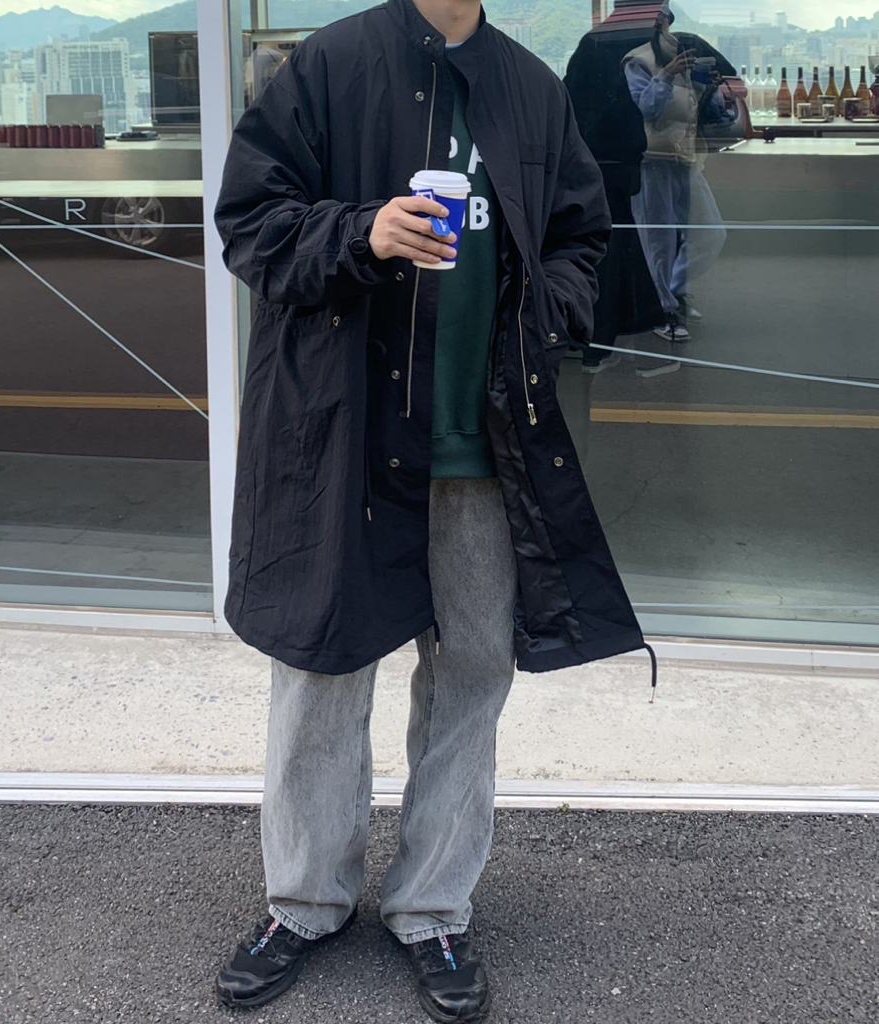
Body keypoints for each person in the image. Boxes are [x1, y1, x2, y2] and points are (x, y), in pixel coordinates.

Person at [213, 0, 652, 1018]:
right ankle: (304, 902)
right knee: (322, 669)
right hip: (347, 434)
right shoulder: (329, 65)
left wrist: (545, 316)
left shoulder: (529, 87)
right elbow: (249, 225)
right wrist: (361, 231)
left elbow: (583, 235)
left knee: (471, 677)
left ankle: (433, 906)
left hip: (485, 445)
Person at [564, 0, 665, 374]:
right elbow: (611, 111)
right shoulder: (618, 46)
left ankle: (604, 341)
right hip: (606, 165)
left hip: (598, 163)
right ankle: (599, 344)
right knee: (610, 250)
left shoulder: (599, 41)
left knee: (614, 248)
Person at [623, 2, 730, 344]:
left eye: (665, 16)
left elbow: (700, 114)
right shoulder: (637, 60)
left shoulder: (684, 55)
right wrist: (667, 75)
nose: (662, 22)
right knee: (660, 243)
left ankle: (672, 292)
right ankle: (664, 309)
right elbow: (646, 110)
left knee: (710, 234)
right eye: (657, 15)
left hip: (685, 158)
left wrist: (708, 89)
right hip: (651, 161)